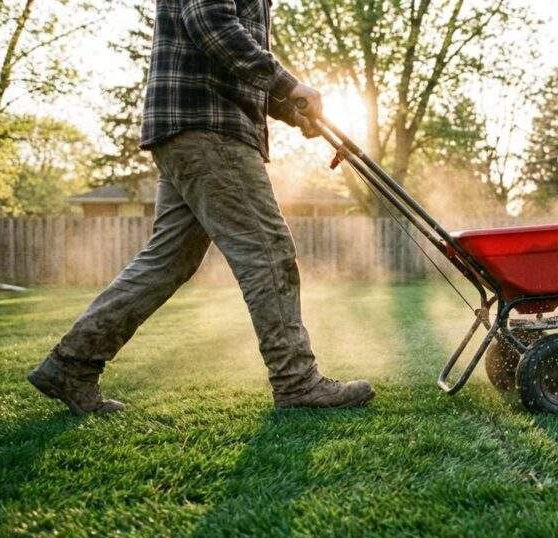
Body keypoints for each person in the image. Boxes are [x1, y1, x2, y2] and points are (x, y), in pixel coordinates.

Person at [27, 0, 374, 414]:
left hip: (189, 127)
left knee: (167, 261)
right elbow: (210, 24)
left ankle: (72, 365)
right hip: (209, 127)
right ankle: (297, 382)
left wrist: (288, 110)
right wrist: (287, 83)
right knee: (267, 251)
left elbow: (224, 61)